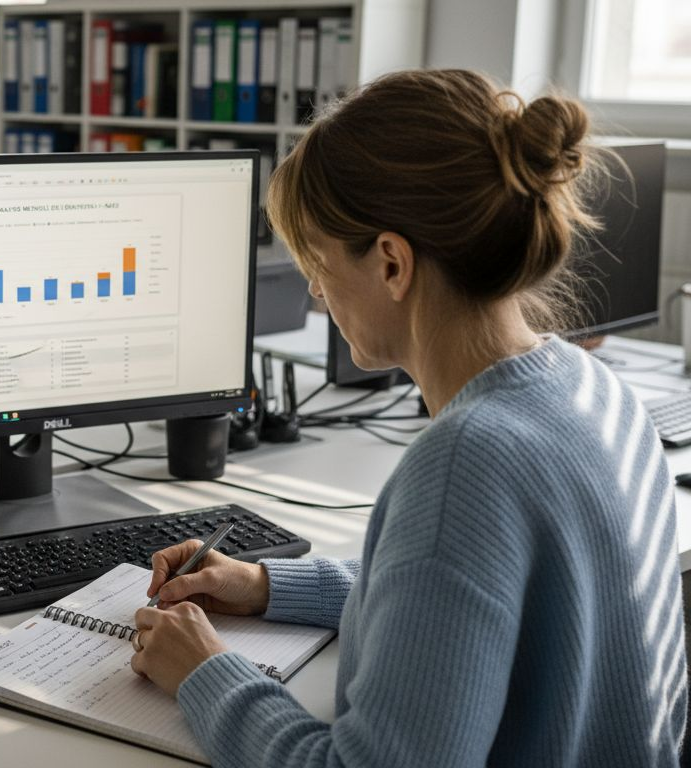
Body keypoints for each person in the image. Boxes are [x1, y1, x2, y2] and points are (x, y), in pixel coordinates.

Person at [130, 69, 687, 766]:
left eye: (319, 259)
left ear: (392, 263)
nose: (314, 287)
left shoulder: (465, 466)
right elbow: (457, 601)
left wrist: (204, 671)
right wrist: (267, 584)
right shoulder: (591, 386)